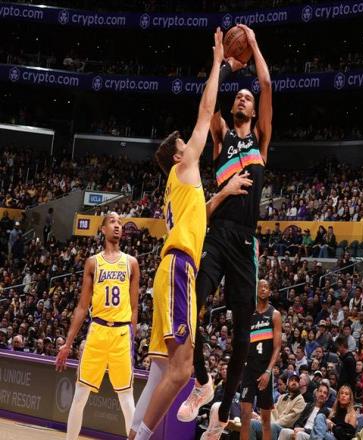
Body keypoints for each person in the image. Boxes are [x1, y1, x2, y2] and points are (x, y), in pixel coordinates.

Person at [128, 29, 242, 440]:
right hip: (179, 269)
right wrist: (219, 65)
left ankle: (134, 432)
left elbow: (198, 219)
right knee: (181, 369)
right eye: (184, 141)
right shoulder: (183, 165)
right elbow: (206, 111)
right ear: (179, 154)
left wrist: (222, 194)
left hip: (171, 267)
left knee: (163, 368)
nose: (190, 141)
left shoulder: (178, 187)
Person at [179, 24, 273, 440]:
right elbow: (208, 103)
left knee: (241, 334)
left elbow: (266, 84)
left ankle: (221, 411)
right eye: (239, 96)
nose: (243, 98)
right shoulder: (220, 138)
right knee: (191, 305)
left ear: (253, 111)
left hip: (246, 241)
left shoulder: (260, 140)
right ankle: (202, 382)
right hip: (216, 232)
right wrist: (222, 64)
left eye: (247, 98)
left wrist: (253, 45)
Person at [55, 212, 140, 440]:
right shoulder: (93, 262)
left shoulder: (131, 263)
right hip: (97, 331)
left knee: (126, 398)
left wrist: (131, 338)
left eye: (120, 223)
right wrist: (68, 344)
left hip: (121, 333)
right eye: (112, 222)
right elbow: (82, 306)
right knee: (80, 395)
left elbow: (134, 308)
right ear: (102, 229)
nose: (117, 226)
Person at [241, 279, 282, 440]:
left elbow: (277, 347)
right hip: (249, 369)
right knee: (245, 416)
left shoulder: (275, 314)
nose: (263, 289)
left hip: (265, 370)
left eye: (266, 287)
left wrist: (268, 371)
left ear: (270, 292)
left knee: (265, 420)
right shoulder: (248, 314)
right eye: (260, 287)